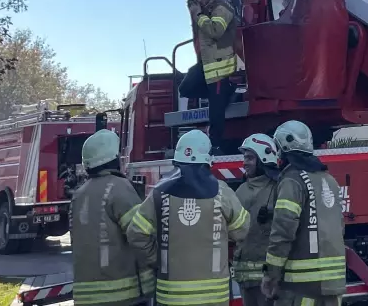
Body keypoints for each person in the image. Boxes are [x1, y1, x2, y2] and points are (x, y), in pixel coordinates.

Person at [127, 129, 249, 306]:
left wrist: (157, 259)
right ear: (207, 159)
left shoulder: (159, 193)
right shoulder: (222, 191)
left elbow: (136, 233)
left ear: (178, 161)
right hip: (214, 297)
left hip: (170, 296)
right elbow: (242, 230)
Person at [262, 121, 346, 306]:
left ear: (284, 147)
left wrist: (271, 274)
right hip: (333, 286)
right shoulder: (329, 179)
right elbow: (340, 226)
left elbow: (283, 231)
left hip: (302, 287)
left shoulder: (292, 180)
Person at [70, 129, 154, 306]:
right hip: (122, 296)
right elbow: (139, 234)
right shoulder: (119, 187)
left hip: (84, 297)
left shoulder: (78, 195)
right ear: (113, 158)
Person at [178, 0, 239, 151]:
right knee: (185, 88)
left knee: (216, 113)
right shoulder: (203, 11)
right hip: (206, 65)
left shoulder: (223, 8)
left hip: (220, 66)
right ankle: (224, 92)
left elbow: (215, 31)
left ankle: (215, 145)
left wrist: (197, 14)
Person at [233, 134, 281, 306]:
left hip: (267, 281)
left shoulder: (278, 189)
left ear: (263, 159)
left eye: (250, 158)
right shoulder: (240, 190)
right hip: (244, 280)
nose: (245, 163)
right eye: (244, 157)